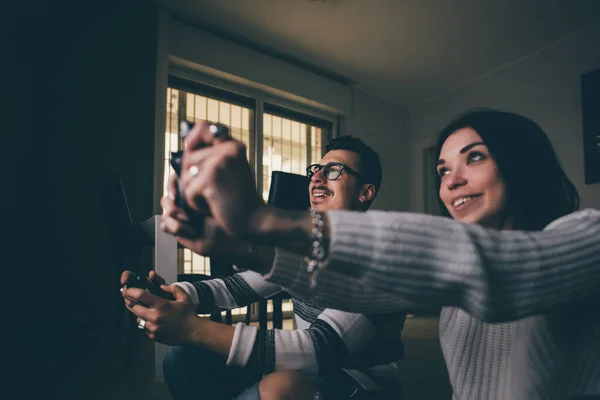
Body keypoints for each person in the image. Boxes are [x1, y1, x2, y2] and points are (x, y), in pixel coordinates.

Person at [172, 111, 600, 400]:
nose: (451, 181)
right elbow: (350, 282)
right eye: (443, 170)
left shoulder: (587, 236)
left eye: (475, 158)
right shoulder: (438, 278)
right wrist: (232, 244)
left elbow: (497, 268)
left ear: (521, 164)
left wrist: (267, 223)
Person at [121, 136, 406, 399]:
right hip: (309, 367)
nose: (316, 178)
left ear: (365, 192)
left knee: (281, 387)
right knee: (182, 358)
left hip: (360, 382)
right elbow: (239, 286)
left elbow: (316, 349)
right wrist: (173, 293)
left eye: (333, 170)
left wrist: (192, 327)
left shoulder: (380, 257)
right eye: (316, 170)